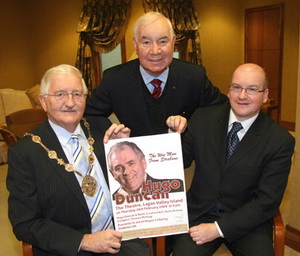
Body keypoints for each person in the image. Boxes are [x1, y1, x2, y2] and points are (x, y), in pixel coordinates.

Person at [6, 64, 150, 256]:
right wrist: (84, 241)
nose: (70, 102)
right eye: (60, 95)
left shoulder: (103, 128)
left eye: (77, 94)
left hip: (122, 239)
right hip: (70, 248)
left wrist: (124, 148)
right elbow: (25, 223)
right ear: (43, 101)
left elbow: (137, 181)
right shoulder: (25, 151)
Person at [173, 63, 295, 256]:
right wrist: (172, 135)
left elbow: (267, 201)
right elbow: (178, 162)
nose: (242, 96)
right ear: (229, 91)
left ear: (265, 96)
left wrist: (217, 229)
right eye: (236, 87)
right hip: (200, 213)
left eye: (252, 89)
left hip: (248, 221)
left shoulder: (280, 141)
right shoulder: (203, 118)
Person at [85, 12, 227, 137]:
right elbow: (89, 115)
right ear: (135, 44)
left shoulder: (194, 75)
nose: (155, 51)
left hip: (182, 160)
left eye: (163, 41)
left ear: (173, 42)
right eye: (146, 42)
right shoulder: (114, 79)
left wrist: (191, 125)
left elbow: (221, 109)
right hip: (132, 159)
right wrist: (112, 133)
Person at [107, 141, 184, 199]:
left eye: (131, 163)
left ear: (143, 163)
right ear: (112, 174)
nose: (126, 172)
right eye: (118, 168)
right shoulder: (111, 202)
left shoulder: (173, 188)